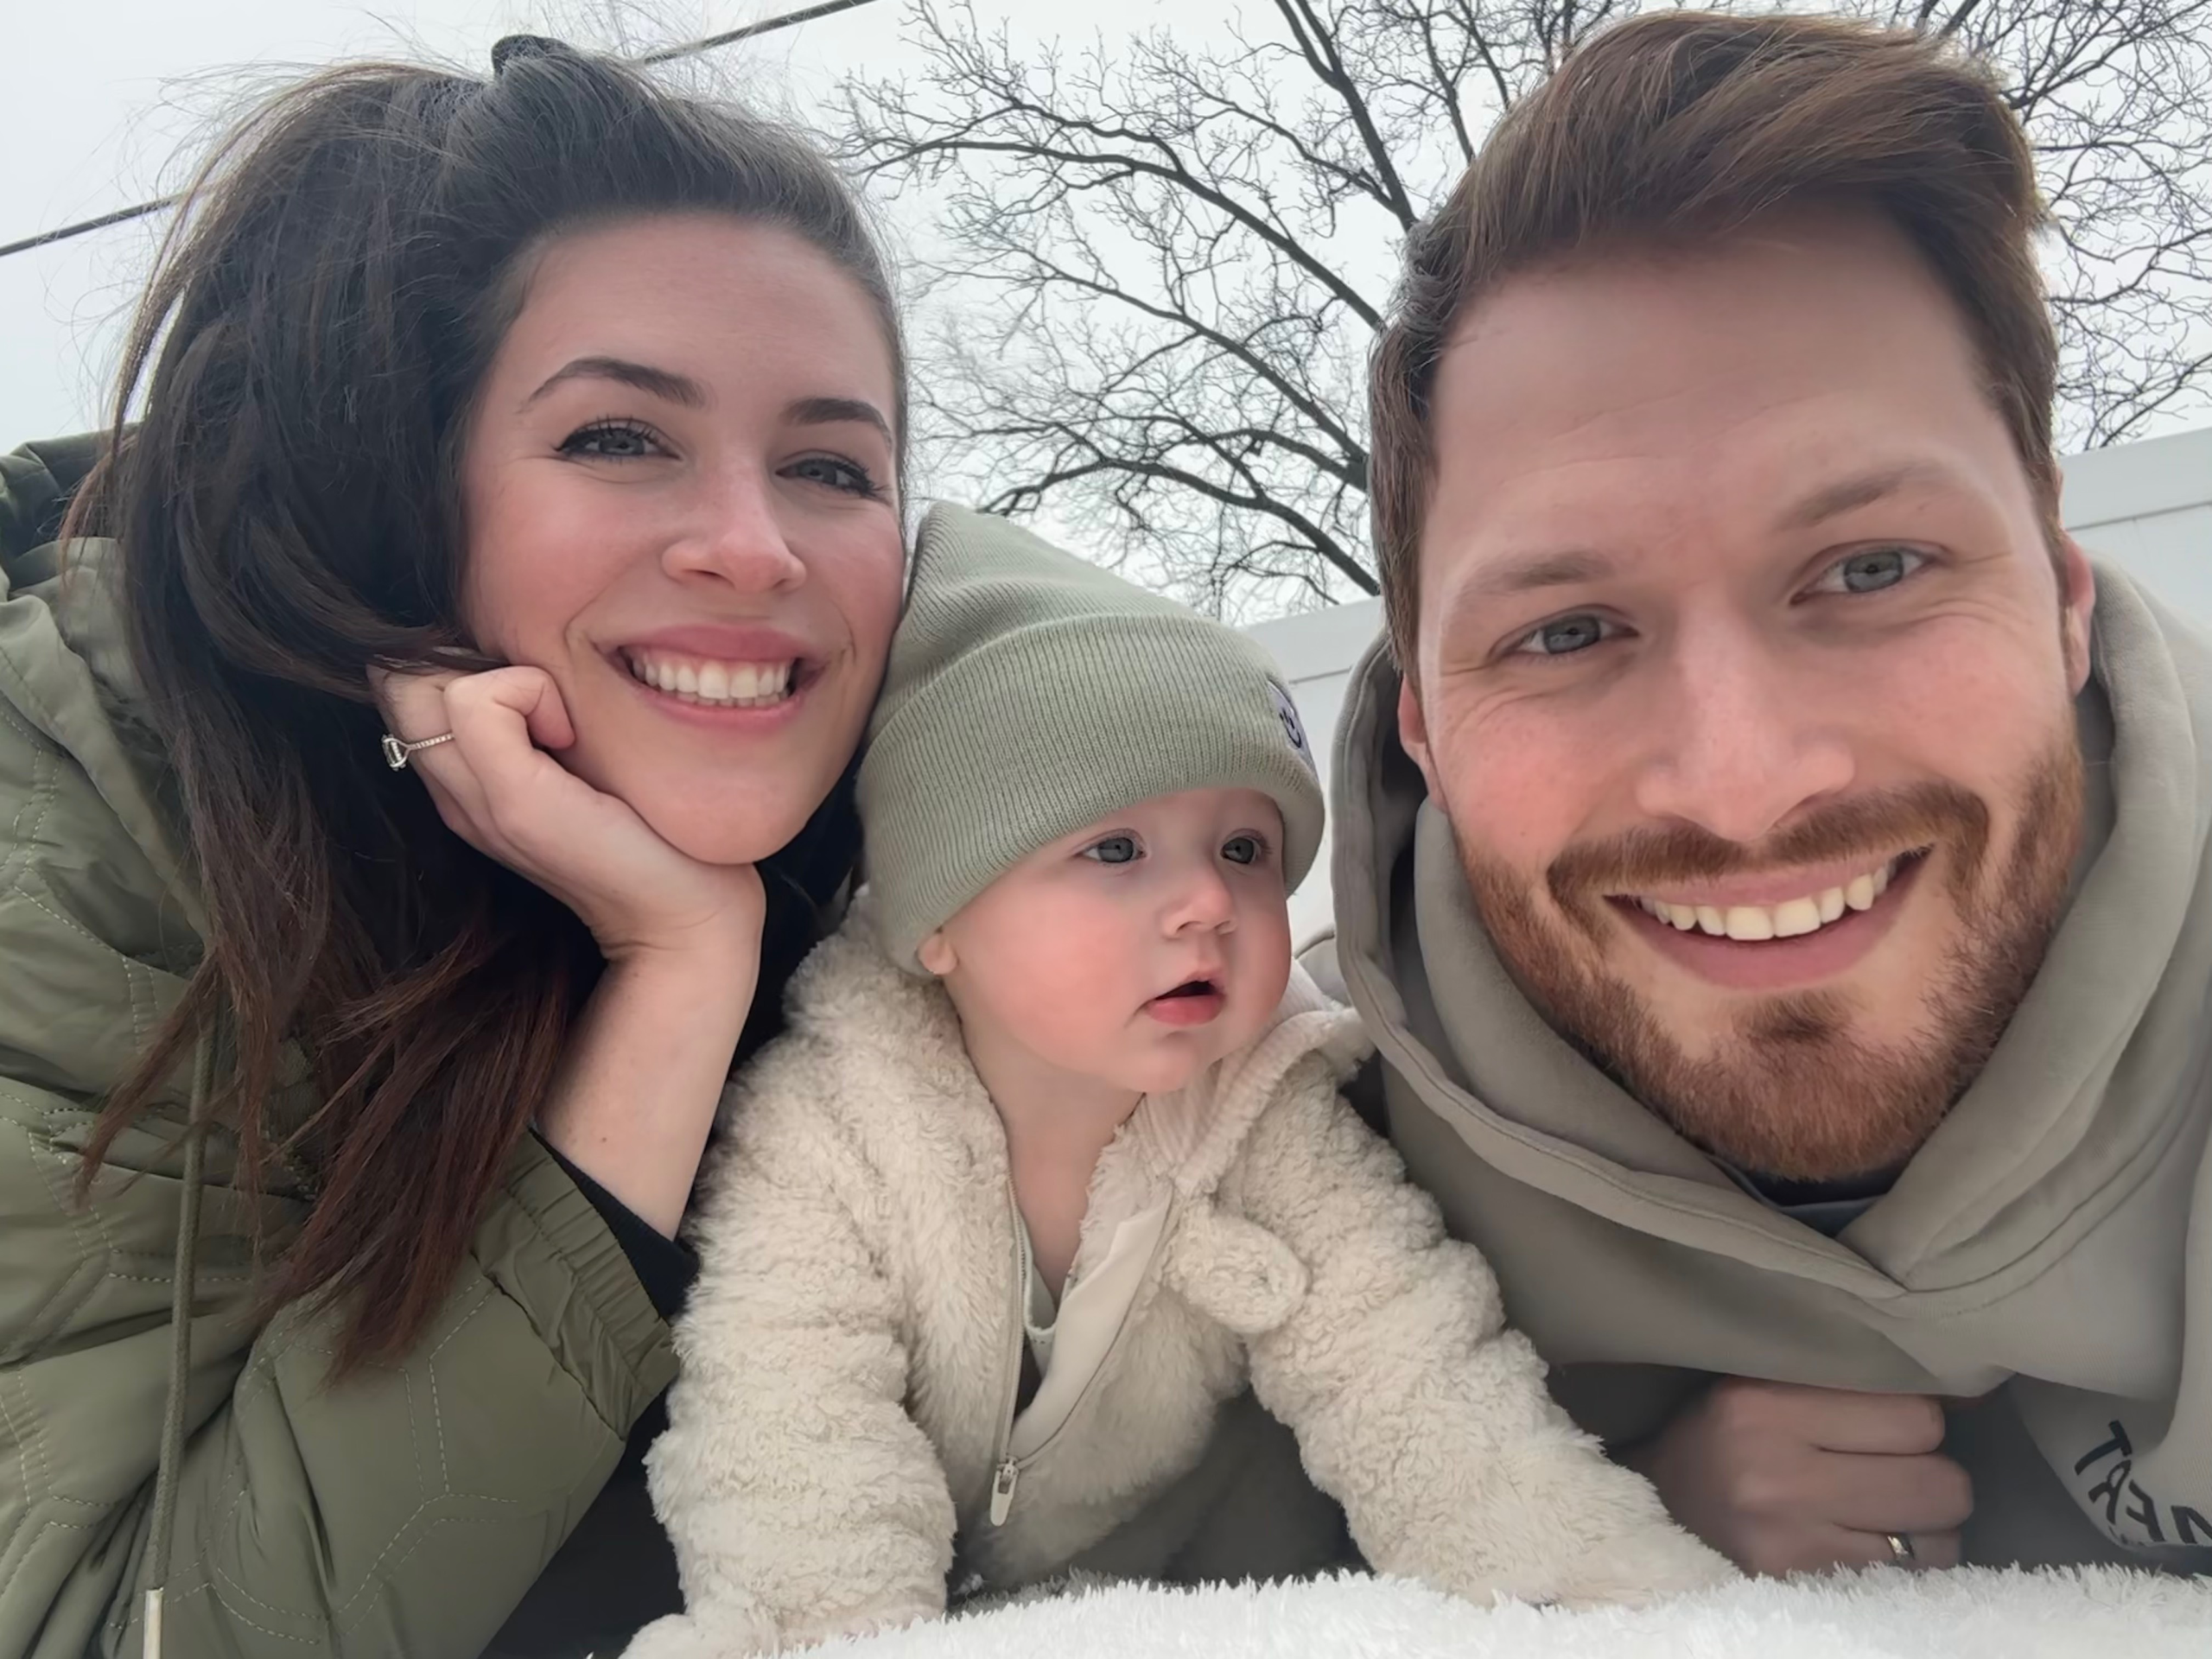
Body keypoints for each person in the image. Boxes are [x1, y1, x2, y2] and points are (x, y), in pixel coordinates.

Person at [0, 37, 915, 1658]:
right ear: (403, 492)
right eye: (620, 438)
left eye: (832, 466)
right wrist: (674, 980)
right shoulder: (79, 854)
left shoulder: (906, 860)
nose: (755, 547)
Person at [1315, 10, 2212, 1580]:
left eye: (1871, 569)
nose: (1743, 783)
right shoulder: (1257, 1172)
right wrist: (1602, 1530)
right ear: (1423, 730)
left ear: (2066, 589)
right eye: (1568, 631)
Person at [629, 506, 1730, 1658]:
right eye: (1114, 850)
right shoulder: (824, 1129)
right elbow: (789, 1430)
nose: (1209, 901)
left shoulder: (1270, 1110)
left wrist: (1597, 1600)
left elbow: (1412, 1375)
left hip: (1192, 1602)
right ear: (937, 917)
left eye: (1245, 850)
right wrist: (835, 1638)